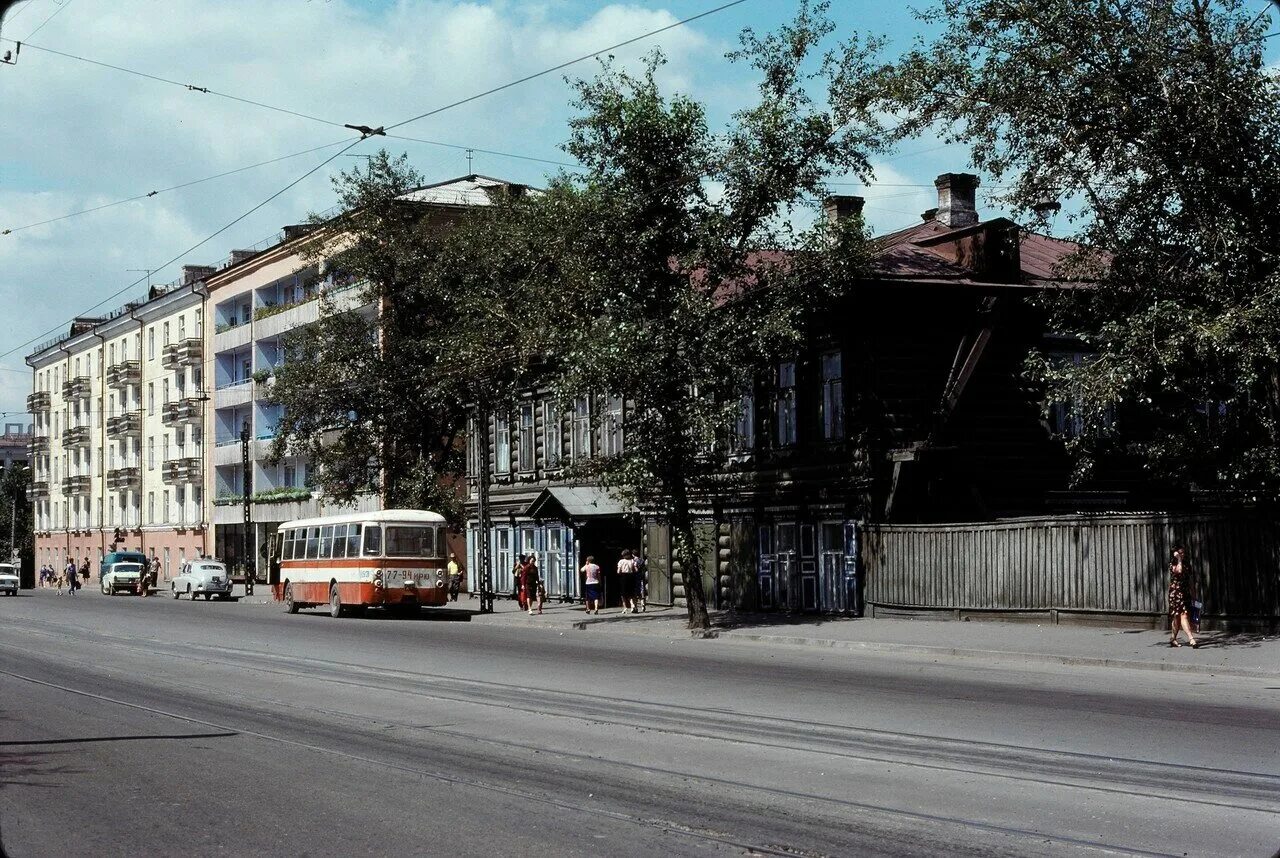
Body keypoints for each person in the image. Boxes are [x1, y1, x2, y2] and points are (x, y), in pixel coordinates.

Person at [1168, 545, 1199, 648]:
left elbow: (1190, 580)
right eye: (1180, 553)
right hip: (1176, 593)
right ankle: (1191, 639)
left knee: (1177, 617)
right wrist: (1179, 559)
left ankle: (1173, 639)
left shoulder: (1187, 564)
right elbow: (1179, 571)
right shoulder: (1173, 563)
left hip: (1185, 592)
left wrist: (1194, 594)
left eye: (1183, 553)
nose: (1183, 554)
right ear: (1175, 554)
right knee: (1183, 615)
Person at [617, 549, 637, 614]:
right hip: (631, 576)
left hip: (624, 577)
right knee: (631, 592)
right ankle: (632, 604)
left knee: (623, 593)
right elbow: (636, 570)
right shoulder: (632, 561)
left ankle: (625, 607)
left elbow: (618, 571)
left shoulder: (621, 561)